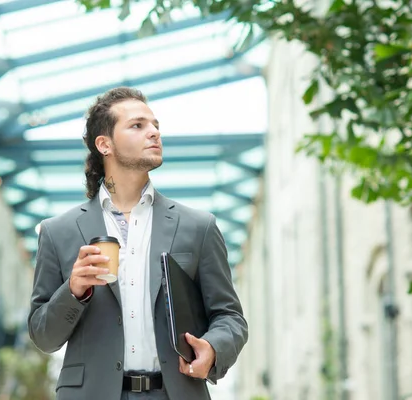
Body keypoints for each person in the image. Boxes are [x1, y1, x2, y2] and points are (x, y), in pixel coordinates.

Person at [28, 87, 248, 400]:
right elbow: (43, 335)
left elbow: (230, 317)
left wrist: (213, 348)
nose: (154, 133)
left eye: (155, 125)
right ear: (104, 144)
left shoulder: (198, 227)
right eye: (138, 125)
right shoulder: (57, 231)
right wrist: (73, 290)